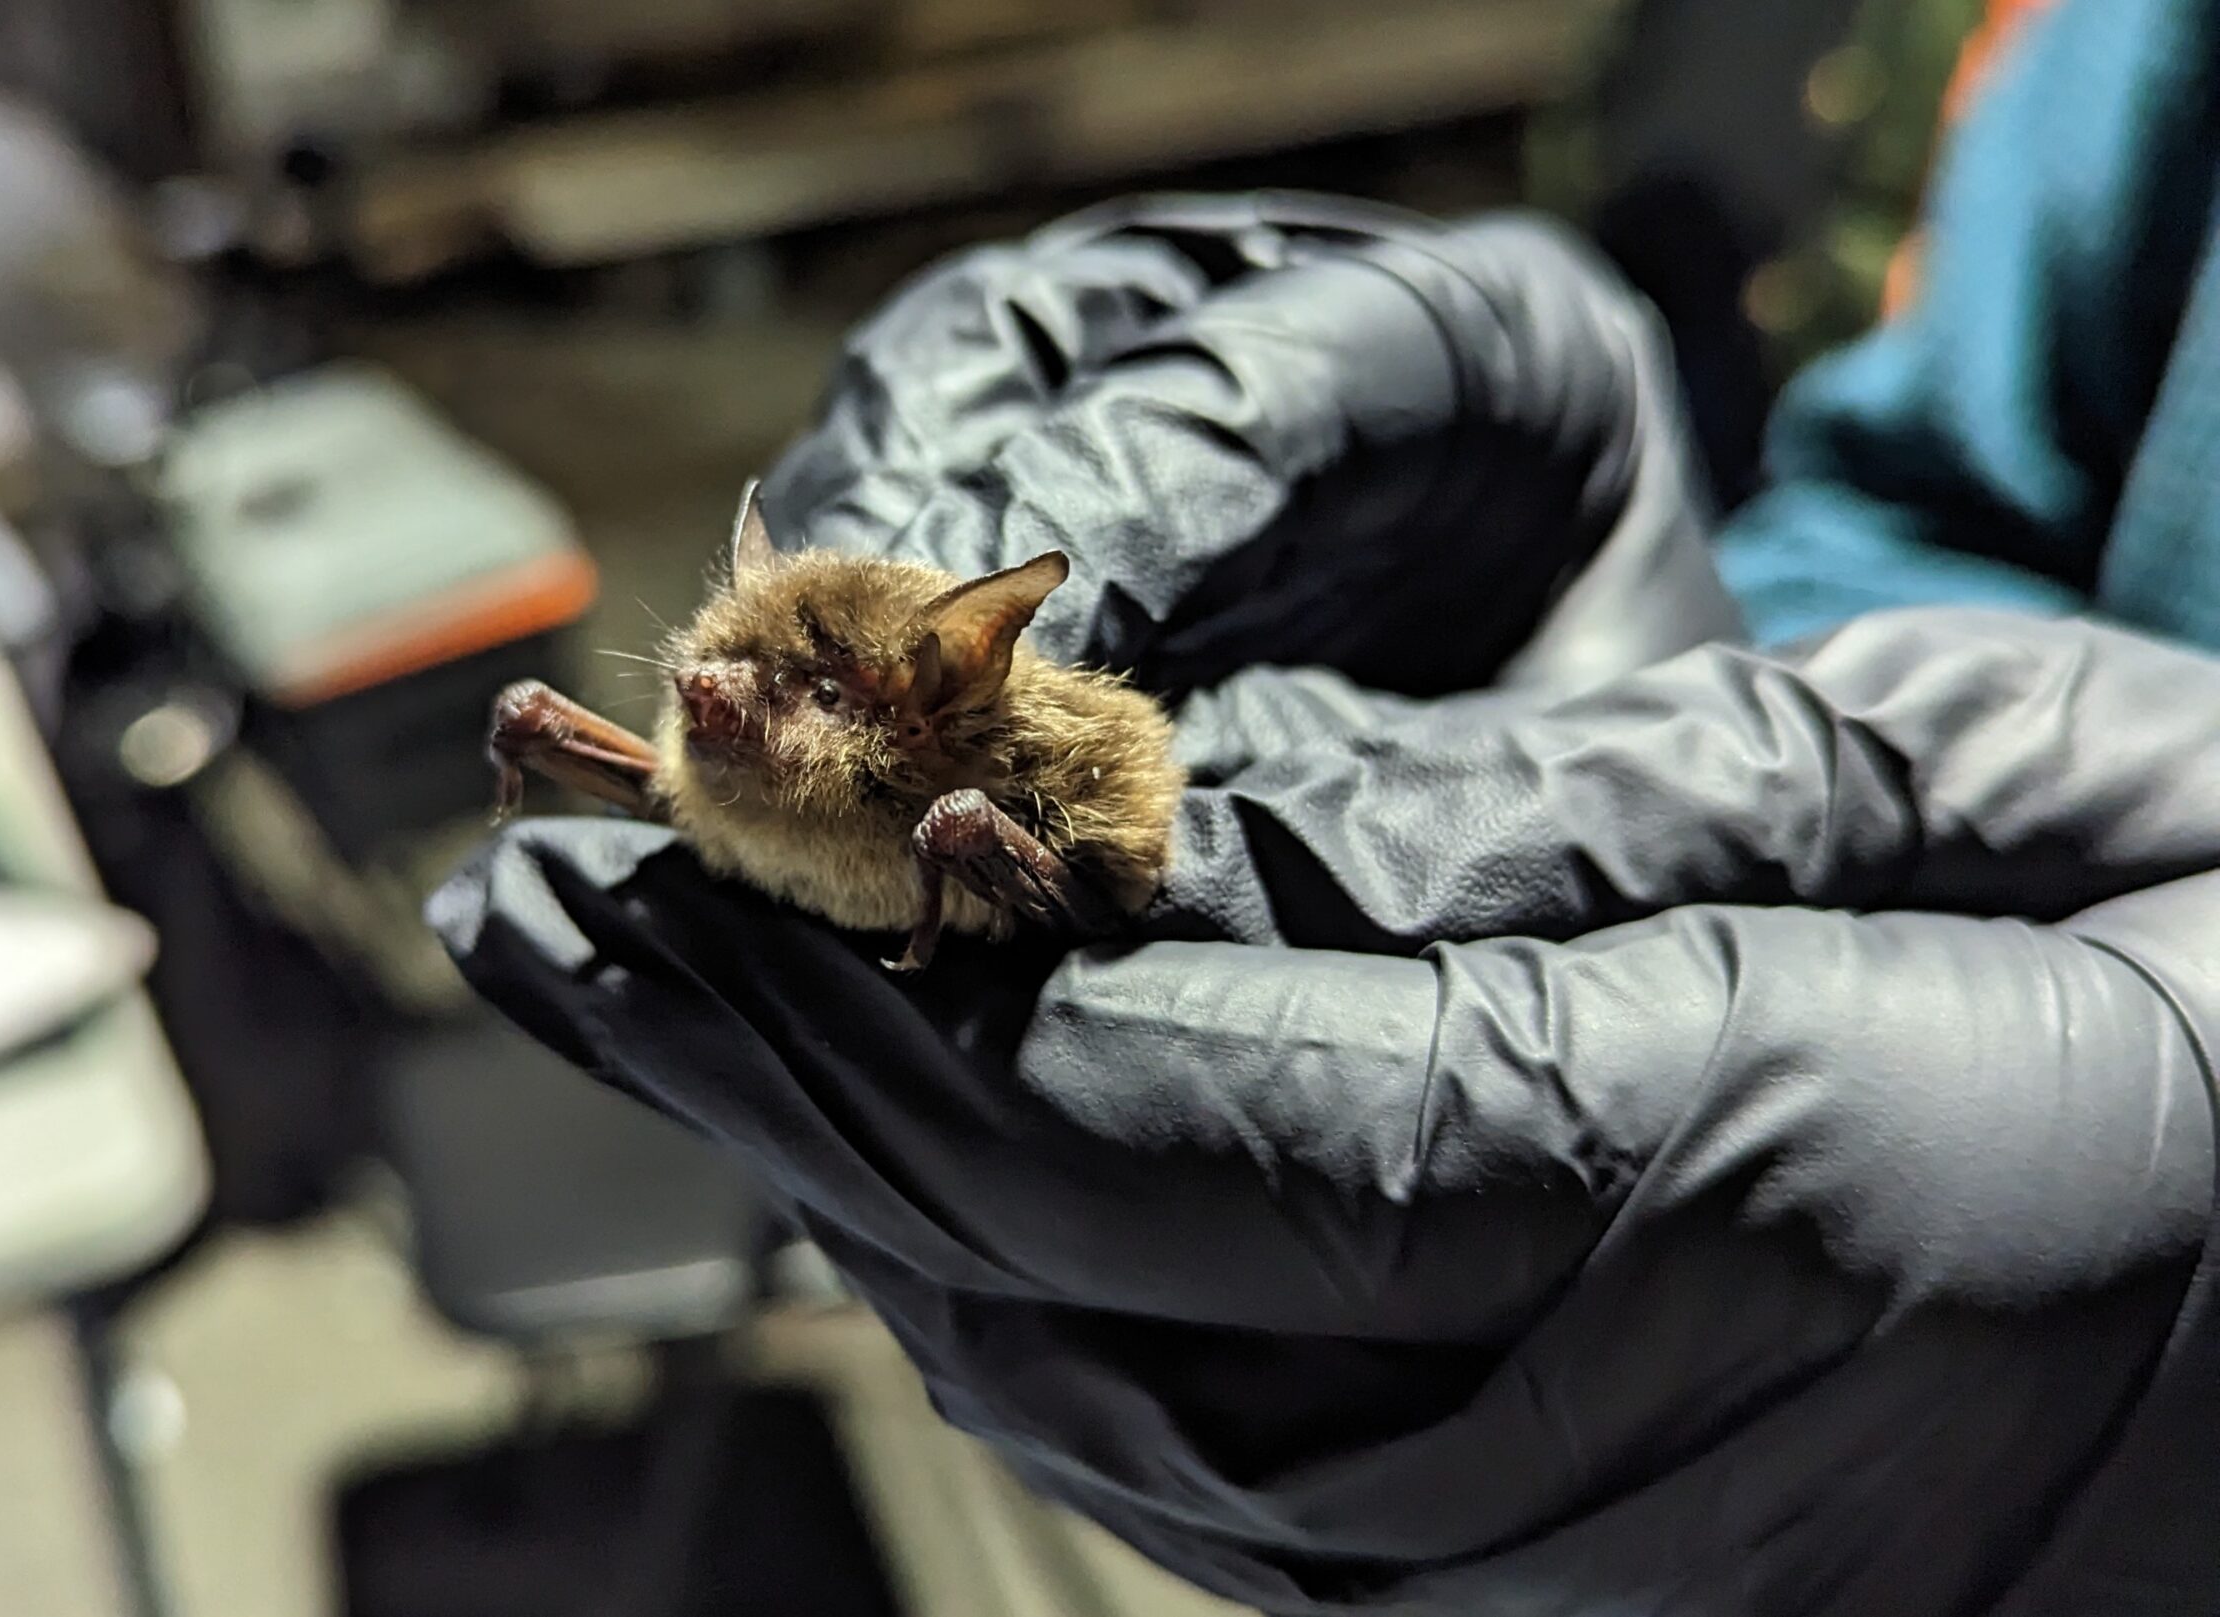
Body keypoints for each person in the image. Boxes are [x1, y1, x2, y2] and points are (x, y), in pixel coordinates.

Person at [433, 0, 2220, 1610]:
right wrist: (1665, 597)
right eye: (728, 672)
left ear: (938, 692)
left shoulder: (960, 791)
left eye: (802, 689)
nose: (727, 693)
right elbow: (1944, 503)